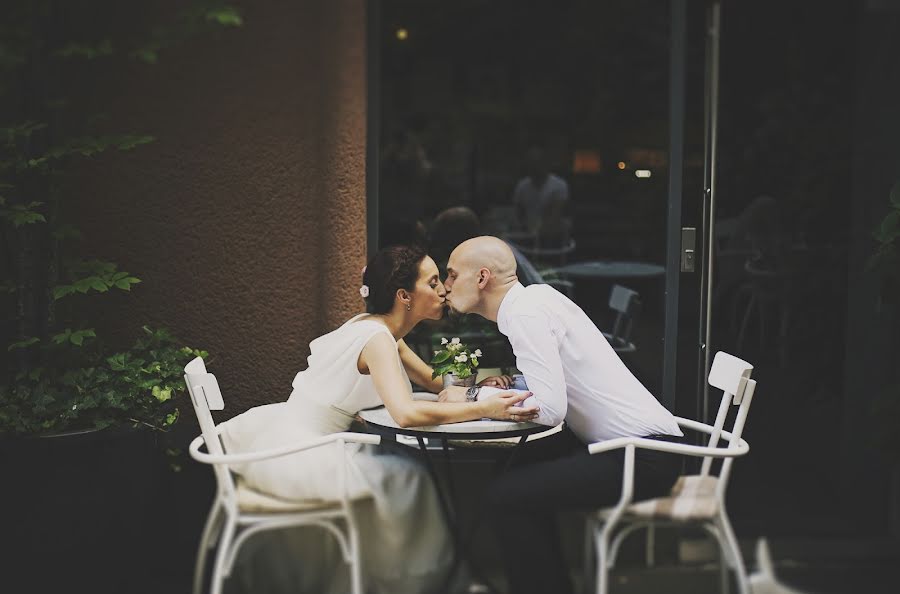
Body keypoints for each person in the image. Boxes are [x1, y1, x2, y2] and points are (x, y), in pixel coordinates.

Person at [218, 244, 536, 594]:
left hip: (290, 432)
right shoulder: (377, 340)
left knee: (405, 470)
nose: (443, 289)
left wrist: (479, 384)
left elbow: (431, 379)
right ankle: (411, 583)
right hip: (305, 452)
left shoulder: (379, 331)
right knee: (410, 477)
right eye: (432, 283)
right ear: (404, 296)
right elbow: (406, 413)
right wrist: (483, 409)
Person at [441, 236, 684, 594]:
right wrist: (510, 384)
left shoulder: (524, 313)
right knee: (514, 468)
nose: (445, 286)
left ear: (482, 278)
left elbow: (551, 410)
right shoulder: (533, 300)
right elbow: (555, 379)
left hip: (643, 456)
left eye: (450, 275)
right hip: (634, 448)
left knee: (504, 496)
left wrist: (475, 394)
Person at [511, 146, 570, 245]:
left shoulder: (559, 185)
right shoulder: (522, 186)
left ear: (545, 163)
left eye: (537, 162)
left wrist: (538, 232)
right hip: (525, 236)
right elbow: (517, 214)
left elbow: (555, 216)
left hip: (553, 238)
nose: (534, 166)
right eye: (531, 162)